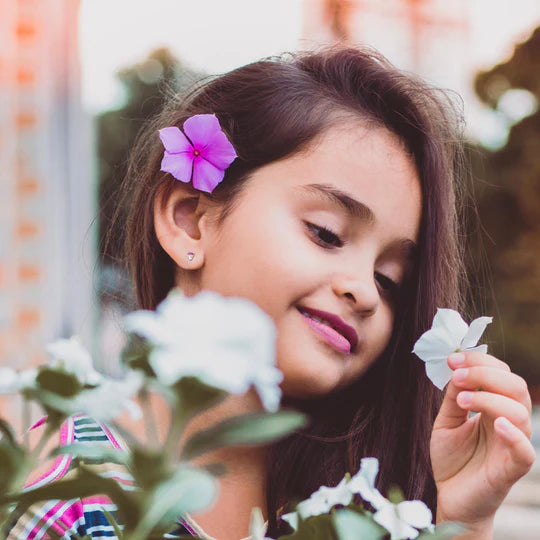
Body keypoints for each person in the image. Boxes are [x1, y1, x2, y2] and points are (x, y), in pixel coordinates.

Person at [7, 46, 535, 540]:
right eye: (325, 233)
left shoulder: (365, 507)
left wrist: (463, 521)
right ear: (189, 221)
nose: (365, 293)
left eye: (389, 279)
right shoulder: (72, 494)